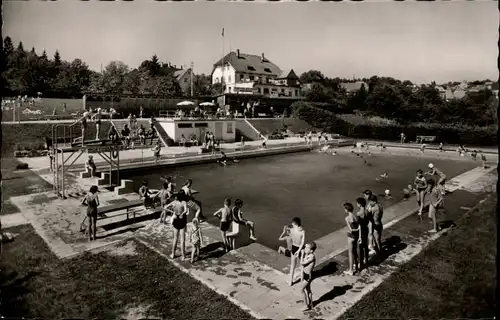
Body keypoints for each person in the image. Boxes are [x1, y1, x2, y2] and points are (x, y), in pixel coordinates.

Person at [164, 191, 189, 260]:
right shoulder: (184, 202)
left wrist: (173, 212)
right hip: (182, 220)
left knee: (175, 238)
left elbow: (165, 207)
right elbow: (186, 210)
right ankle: (183, 256)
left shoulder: (174, 202)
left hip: (176, 219)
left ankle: (173, 254)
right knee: (182, 239)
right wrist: (182, 214)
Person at [288, 217, 305, 285]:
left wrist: (287, 232)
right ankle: (302, 280)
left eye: (292, 223)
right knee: (302, 265)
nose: (291, 224)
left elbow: (292, 238)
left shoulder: (291, 230)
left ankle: (290, 281)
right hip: (300, 248)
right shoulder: (302, 231)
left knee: (292, 265)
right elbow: (302, 243)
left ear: (295, 223)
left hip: (294, 247)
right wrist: (299, 250)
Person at [344, 202, 360, 275]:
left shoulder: (347, 218)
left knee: (350, 253)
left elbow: (350, 229)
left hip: (350, 236)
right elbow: (359, 226)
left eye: (345, 209)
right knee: (355, 251)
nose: (344, 210)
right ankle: (356, 266)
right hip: (356, 236)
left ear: (347, 209)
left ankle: (350, 270)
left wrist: (354, 230)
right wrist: (357, 230)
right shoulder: (355, 216)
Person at [301, 242, 317, 312]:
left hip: (308, 276)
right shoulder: (308, 254)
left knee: (301, 290)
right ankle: (311, 304)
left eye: (306, 248)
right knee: (308, 290)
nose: (304, 249)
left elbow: (302, 263)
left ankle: (306, 306)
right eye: (305, 247)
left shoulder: (311, 257)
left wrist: (302, 255)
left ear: (311, 250)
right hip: (305, 274)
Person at [356, 197, 370, 270]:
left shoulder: (359, 213)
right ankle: (366, 260)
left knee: (359, 248)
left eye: (357, 203)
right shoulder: (367, 211)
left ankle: (360, 263)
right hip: (366, 229)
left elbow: (358, 225)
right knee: (365, 245)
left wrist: (359, 236)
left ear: (360, 204)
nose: (357, 204)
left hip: (360, 231)